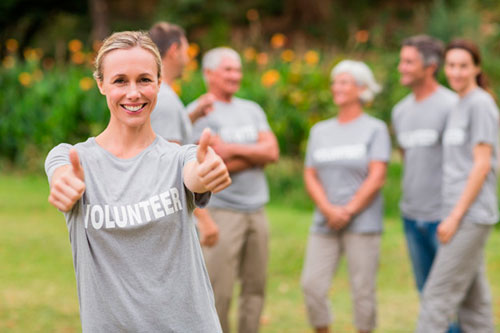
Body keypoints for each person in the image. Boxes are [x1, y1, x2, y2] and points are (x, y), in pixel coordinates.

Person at [45, 31, 231, 332]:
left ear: (159, 82)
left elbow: (194, 173)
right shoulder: (73, 159)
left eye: (144, 80)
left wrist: (205, 171)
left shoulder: (178, 157)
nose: (133, 93)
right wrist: (64, 185)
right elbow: (61, 172)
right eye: (120, 80)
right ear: (101, 84)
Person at [188, 47, 279, 333]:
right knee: (220, 292)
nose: (235, 75)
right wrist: (253, 155)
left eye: (238, 69)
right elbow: (213, 164)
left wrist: (231, 149)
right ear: (209, 73)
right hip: (221, 212)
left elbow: (272, 151)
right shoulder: (197, 113)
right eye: (228, 69)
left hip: (257, 211)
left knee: (255, 288)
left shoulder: (252, 109)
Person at [301, 60, 390, 333]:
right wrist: (329, 210)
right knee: (311, 285)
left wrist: (348, 210)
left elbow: (377, 176)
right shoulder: (320, 131)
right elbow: (310, 174)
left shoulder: (375, 129)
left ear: (362, 89)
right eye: (335, 82)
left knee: (362, 292)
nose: (336, 87)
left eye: (344, 81)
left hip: (362, 222)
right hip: (325, 221)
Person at [416, 39, 498, 333]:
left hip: (469, 216)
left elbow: (481, 164)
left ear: (476, 67)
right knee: (475, 304)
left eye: (463, 66)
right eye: (451, 65)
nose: (456, 72)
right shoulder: (459, 104)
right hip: (457, 212)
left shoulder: (480, 104)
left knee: (436, 297)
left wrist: (454, 216)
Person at [391, 35, 461, 332]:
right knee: (425, 293)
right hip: (412, 217)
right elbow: (409, 158)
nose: (401, 67)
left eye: (408, 62)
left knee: (450, 299)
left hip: (444, 218)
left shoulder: (452, 106)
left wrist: (454, 213)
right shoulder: (400, 111)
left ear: (430, 67)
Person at [149, 22, 219, 247]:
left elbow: (158, 137)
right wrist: (204, 218)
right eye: (186, 51)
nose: (188, 58)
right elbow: (171, 164)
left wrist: (192, 114)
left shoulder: (161, 93)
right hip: (172, 214)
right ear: (174, 51)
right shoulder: (166, 99)